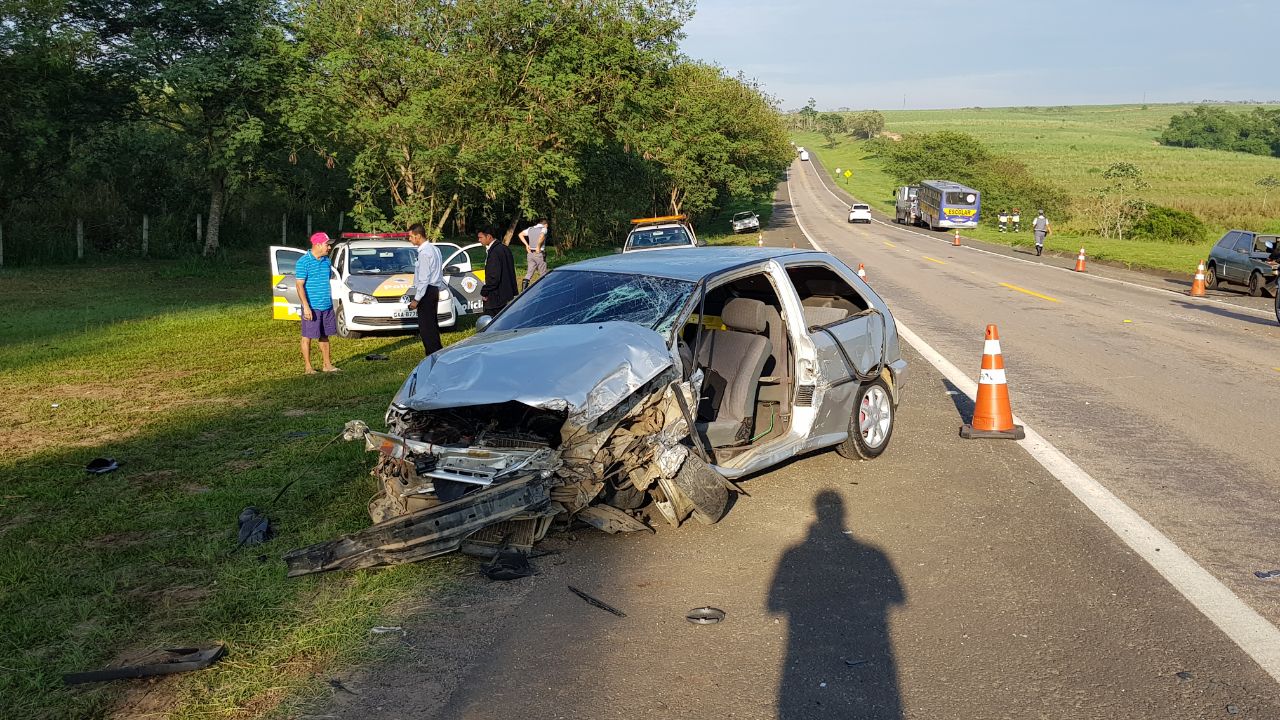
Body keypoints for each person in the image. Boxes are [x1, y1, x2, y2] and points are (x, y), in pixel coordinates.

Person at [296, 232, 340, 374]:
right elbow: (299, 285)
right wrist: (306, 307)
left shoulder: (326, 261)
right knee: (307, 336)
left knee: (325, 335)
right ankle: (308, 367)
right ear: (318, 244)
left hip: (326, 305)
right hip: (312, 306)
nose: (329, 248)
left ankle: (327, 365)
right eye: (327, 244)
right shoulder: (303, 262)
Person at [407, 223, 445, 356]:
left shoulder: (424, 253)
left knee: (426, 328)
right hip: (434, 289)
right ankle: (437, 351)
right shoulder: (435, 249)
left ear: (418, 236)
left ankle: (432, 354)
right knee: (432, 325)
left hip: (427, 291)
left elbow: (424, 279)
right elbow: (439, 273)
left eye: (411, 236)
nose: (410, 239)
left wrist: (416, 299)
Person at [477, 228, 517, 314]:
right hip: (506, 294)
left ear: (489, 237)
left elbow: (493, 277)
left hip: (496, 297)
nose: (479, 240)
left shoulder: (494, 253)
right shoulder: (504, 248)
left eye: (481, 237)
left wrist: (484, 292)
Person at [518, 217, 549, 292]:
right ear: (545, 224)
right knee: (543, 273)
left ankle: (523, 292)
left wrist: (526, 245)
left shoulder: (530, 229)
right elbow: (542, 236)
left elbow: (520, 234)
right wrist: (538, 246)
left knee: (529, 273)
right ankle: (543, 290)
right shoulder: (544, 229)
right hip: (539, 253)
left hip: (530, 253)